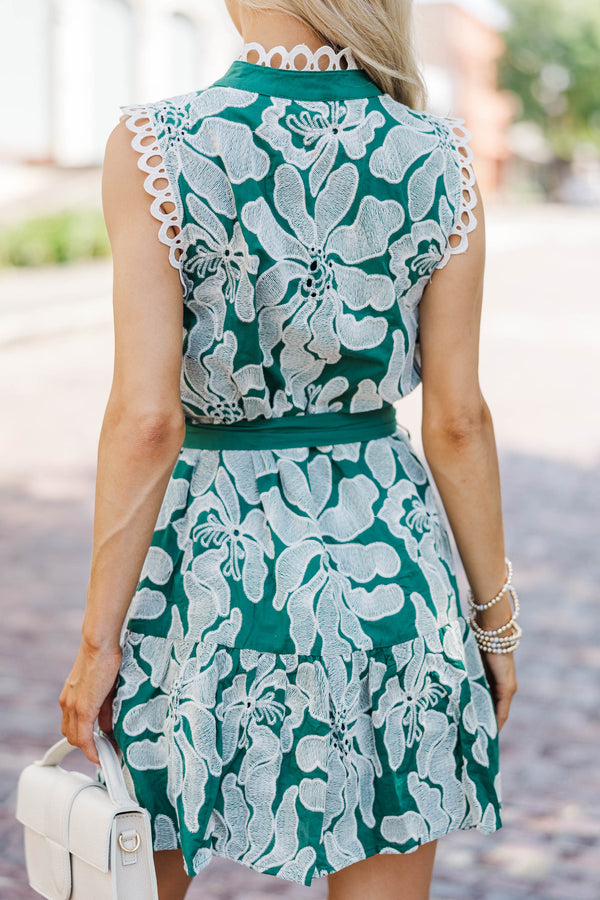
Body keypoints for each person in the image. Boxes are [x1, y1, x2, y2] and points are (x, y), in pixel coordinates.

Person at [59, 1, 519, 898]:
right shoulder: (440, 154)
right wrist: (493, 621)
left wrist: (96, 644)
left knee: (140, 862)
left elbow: (147, 421)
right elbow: (458, 420)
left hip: (208, 571)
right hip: (389, 567)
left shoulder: (159, 147)